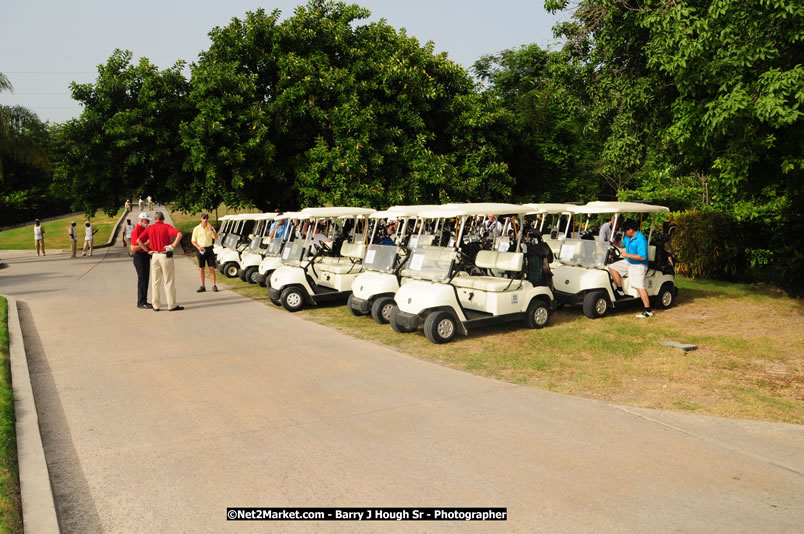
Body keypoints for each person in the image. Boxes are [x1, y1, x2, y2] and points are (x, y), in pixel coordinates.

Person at [136, 211, 183, 311]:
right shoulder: (166, 227)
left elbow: (139, 240)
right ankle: (171, 304)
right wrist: (173, 245)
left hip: (155, 255)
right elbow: (179, 234)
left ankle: (156, 305)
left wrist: (147, 250)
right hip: (165, 255)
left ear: (155, 219)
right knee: (168, 281)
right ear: (163, 219)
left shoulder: (150, 228)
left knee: (155, 281)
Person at [608, 219, 653, 318]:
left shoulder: (641, 239)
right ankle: (620, 290)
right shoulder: (628, 237)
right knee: (612, 267)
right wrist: (616, 243)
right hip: (629, 261)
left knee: (639, 286)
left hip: (639, 265)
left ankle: (648, 310)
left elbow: (643, 257)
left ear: (631, 230)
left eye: (625, 230)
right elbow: (622, 245)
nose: (624, 232)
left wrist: (627, 254)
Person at [191, 213, 219, 293]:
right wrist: (198, 247)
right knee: (201, 268)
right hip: (201, 249)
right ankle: (202, 285)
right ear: (201, 219)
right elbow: (193, 241)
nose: (205, 219)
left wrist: (212, 230)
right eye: (204, 218)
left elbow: (216, 238)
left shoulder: (210, 228)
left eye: (206, 218)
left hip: (209, 248)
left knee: (211, 268)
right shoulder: (196, 229)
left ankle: (214, 285)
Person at [131, 213, 152, 309]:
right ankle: (141, 301)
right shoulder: (136, 230)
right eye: (147, 221)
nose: (148, 223)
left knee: (146, 278)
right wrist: (145, 245)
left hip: (144, 255)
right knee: (142, 278)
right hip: (139, 255)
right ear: (142, 220)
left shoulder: (144, 229)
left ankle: (144, 299)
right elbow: (133, 247)